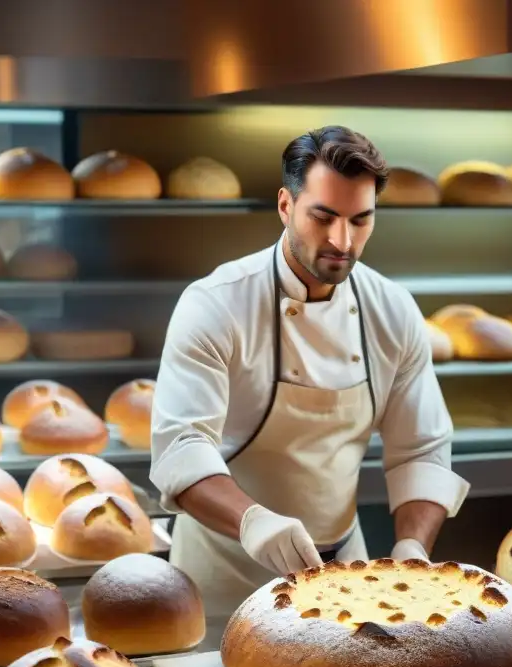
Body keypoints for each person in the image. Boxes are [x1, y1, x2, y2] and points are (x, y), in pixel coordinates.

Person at [150, 125, 469, 617]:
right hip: (225, 572)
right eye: (324, 217)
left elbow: (422, 450)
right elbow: (181, 449)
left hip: (343, 574)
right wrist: (254, 522)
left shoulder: (393, 309)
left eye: (361, 221)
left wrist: (412, 549)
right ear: (285, 206)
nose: (343, 240)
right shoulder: (215, 304)